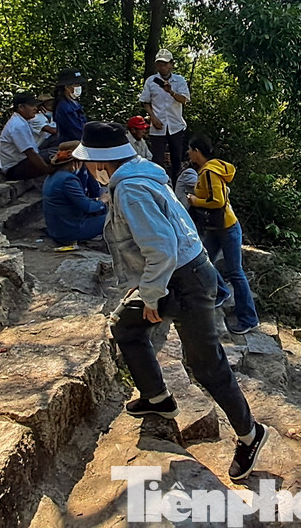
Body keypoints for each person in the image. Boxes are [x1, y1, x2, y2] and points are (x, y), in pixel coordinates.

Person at [76, 121, 268, 481]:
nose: (86, 168)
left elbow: (161, 249)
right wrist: (148, 287)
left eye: (88, 162)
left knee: (206, 365)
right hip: (180, 272)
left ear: (101, 162)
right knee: (125, 326)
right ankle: (157, 397)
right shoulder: (145, 175)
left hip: (183, 279)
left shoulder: (130, 191)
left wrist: (151, 295)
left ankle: (251, 434)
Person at [187, 135, 259, 334]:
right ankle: (221, 292)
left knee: (235, 272)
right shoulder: (209, 170)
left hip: (226, 228)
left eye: (190, 150)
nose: (188, 153)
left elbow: (217, 201)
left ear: (197, 151)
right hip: (216, 228)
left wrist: (194, 200)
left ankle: (249, 318)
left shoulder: (210, 172)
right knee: (203, 260)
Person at [140, 48, 191, 181]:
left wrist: (171, 92)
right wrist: (152, 117)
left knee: (176, 160)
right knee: (157, 160)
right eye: (160, 64)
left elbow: (184, 100)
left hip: (176, 125)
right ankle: (159, 186)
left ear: (172, 64)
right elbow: (145, 101)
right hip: (157, 126)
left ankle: (176, 187)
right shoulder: (151, 81)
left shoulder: (179, 81)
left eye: (165, 63)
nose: (162, 67)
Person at [42, 140, 107, 244]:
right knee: (115, 218)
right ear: (76, 162)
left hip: (58, 228)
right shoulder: (68, 180)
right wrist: (103, 201)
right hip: (69, 231)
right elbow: (87, 207)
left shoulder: (53, 176)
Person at [0, 92, 53, 181]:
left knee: (58, 152)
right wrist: (47, 169)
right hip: (14, 168)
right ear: (21, 107)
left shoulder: (22, 121)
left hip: (21, 162)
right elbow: (30, 153)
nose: (36, 108)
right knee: (56, 156)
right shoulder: (17, 126)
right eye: (32, 106)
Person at [53, 70, 88, 143]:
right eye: (76, 84)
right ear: (67, 87)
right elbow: (77, 132)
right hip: (72, 146)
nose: (79, 87)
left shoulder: (74, 103)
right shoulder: (65, 108)